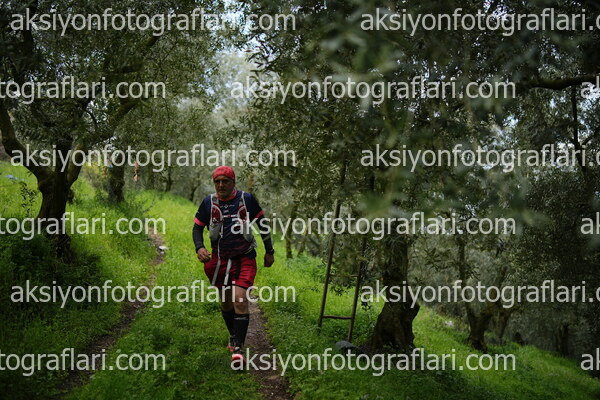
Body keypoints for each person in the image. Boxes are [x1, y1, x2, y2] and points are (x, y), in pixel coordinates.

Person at [192, 166, 275, 364]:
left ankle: (238, 349)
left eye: (225, 181)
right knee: (226, 302)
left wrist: (269, 251)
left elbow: (262, 225)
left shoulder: (247, 199)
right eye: (217, 182)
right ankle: (233, 335)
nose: (221, 185)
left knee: (240, 299)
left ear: (233, 182)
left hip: (244, 258)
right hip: (219, 261)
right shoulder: (209, 202)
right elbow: (197, 228)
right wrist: (199, 247)